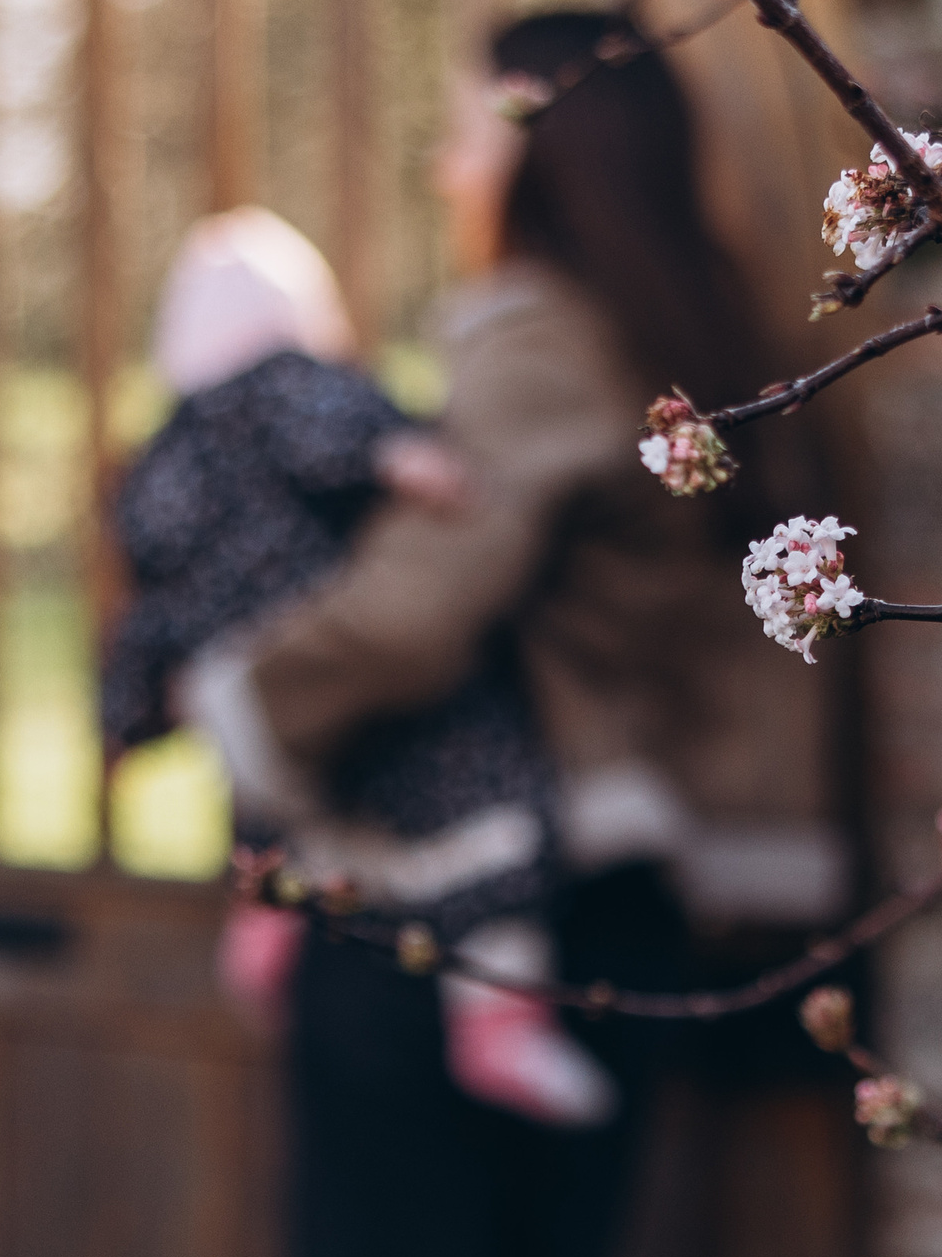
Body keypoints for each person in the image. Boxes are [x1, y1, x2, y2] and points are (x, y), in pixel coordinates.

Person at [189, 11, 847, 1257]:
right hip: (623, 937)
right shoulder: (713, 343)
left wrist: (233, 698)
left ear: (534, 141)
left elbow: (414, 603)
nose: (450, 153)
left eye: (468, 116)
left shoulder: (537, 333)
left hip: (450, 933)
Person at [105, 203, 618, 1126]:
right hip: (345, 677)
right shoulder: (290, 390)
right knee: (481, 825)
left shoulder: (159, 463)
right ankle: (498, 1020)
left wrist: (127, 714)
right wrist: (400, 452)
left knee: (273, 820)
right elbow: (331, 422)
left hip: (258, 705)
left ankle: (265, 921)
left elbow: (146, 618)